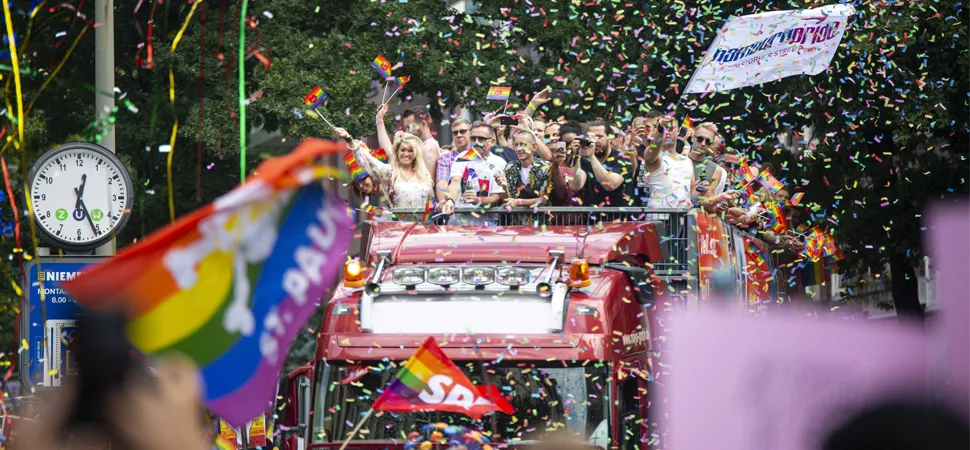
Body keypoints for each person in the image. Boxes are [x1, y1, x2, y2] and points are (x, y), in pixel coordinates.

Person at [335, 127, 434, 211]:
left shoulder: (424, 174)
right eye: (403, 150)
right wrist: (349, 139)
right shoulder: (389, 173)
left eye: (410, 150)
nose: (406, 154)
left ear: (415, 153)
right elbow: (367, 160)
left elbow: (430, 202)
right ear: (397, 153)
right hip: (400, 229)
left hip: (422, 230)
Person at [569, 120, 632, 207]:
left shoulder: (622, 159)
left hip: (620, 217)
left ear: (610, 138)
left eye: (599, 136)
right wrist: (576, 155)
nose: (594, 140)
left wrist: (592, 156)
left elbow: (610, 184)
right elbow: (575, 186)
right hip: (592, 218)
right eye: (591, 136)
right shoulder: (583, 160)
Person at [376, 104, 439, 175]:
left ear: (423, 124)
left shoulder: (428, 148)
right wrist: (379, 119)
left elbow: (427, 183)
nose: (406, 132)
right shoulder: (420, 145)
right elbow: (389, 151)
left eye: (409, 127)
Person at [502, 131, 550, 208]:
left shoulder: (545, 167)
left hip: (539, 217)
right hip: (515, 218)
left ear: (534, 147)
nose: (518, 149)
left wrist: (518, 202)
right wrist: (504, 187)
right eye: (516, 145)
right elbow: (508, 201)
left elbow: (543, 200)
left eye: (523, 144)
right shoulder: (510, 167)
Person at [435, 118, 471, 206]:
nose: (458, 135)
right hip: (454, 210)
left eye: (462, 131)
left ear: (471, 133)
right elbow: (442, 182)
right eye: (455, 133)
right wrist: (443, 203)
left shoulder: (479, 155)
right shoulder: (445, 158)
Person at [687, 122, 728, 197]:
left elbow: (709, 205)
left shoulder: (715, 170)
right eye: (700, 139)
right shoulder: (678, 159)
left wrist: (703, 192)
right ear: (693, 138)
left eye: (708, 141)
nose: (703, 143)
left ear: (712, 144)